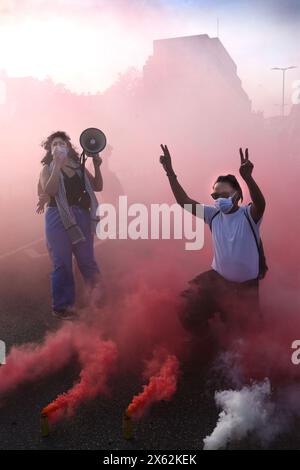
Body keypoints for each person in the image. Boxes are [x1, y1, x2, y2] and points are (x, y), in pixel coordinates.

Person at [159, 144, 266, 336]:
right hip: (217, 280)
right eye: (215, 195)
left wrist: (248, 178)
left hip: (245, 288)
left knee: (248, 334)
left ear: (237, 195)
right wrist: (170, 173)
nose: (218, 199)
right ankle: (205, 339)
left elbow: (261, 203)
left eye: (224, 195)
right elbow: (184, 201)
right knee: (186, 305)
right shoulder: (213, 214)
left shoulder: (249, 215)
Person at [38, 130, 104, 320]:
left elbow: (98, 186)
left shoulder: (79, 167)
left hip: (81, 216)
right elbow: (50, 190)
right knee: (62, 262)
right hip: (57, 218)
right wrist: (57, 166)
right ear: (50, 150)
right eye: (54, 144)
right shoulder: (47, 169)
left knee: (87, 260)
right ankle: (62, 306)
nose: (58, 146)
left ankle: (98, 297)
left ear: (69, 147)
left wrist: (97, 166)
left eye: (62, 143)